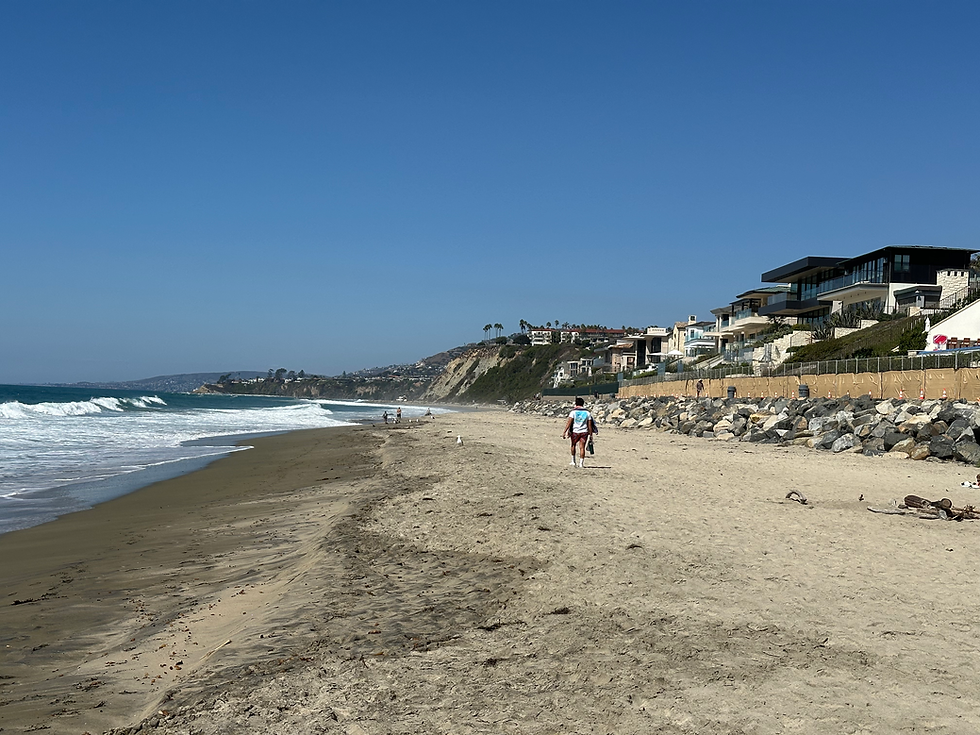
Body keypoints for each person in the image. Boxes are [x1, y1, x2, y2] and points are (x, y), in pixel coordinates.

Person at [562, 396, 595, 468]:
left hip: (575, 432)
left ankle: (573, 461)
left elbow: (569, 423)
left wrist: (565, 431)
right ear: (583, 404)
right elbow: (589, 425)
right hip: (584, 432)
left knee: (573, 445)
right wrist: (591, 434)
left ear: (576, 404)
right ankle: (581, 464)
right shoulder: (587, 413)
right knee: (582, 447)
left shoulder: (573, 412)